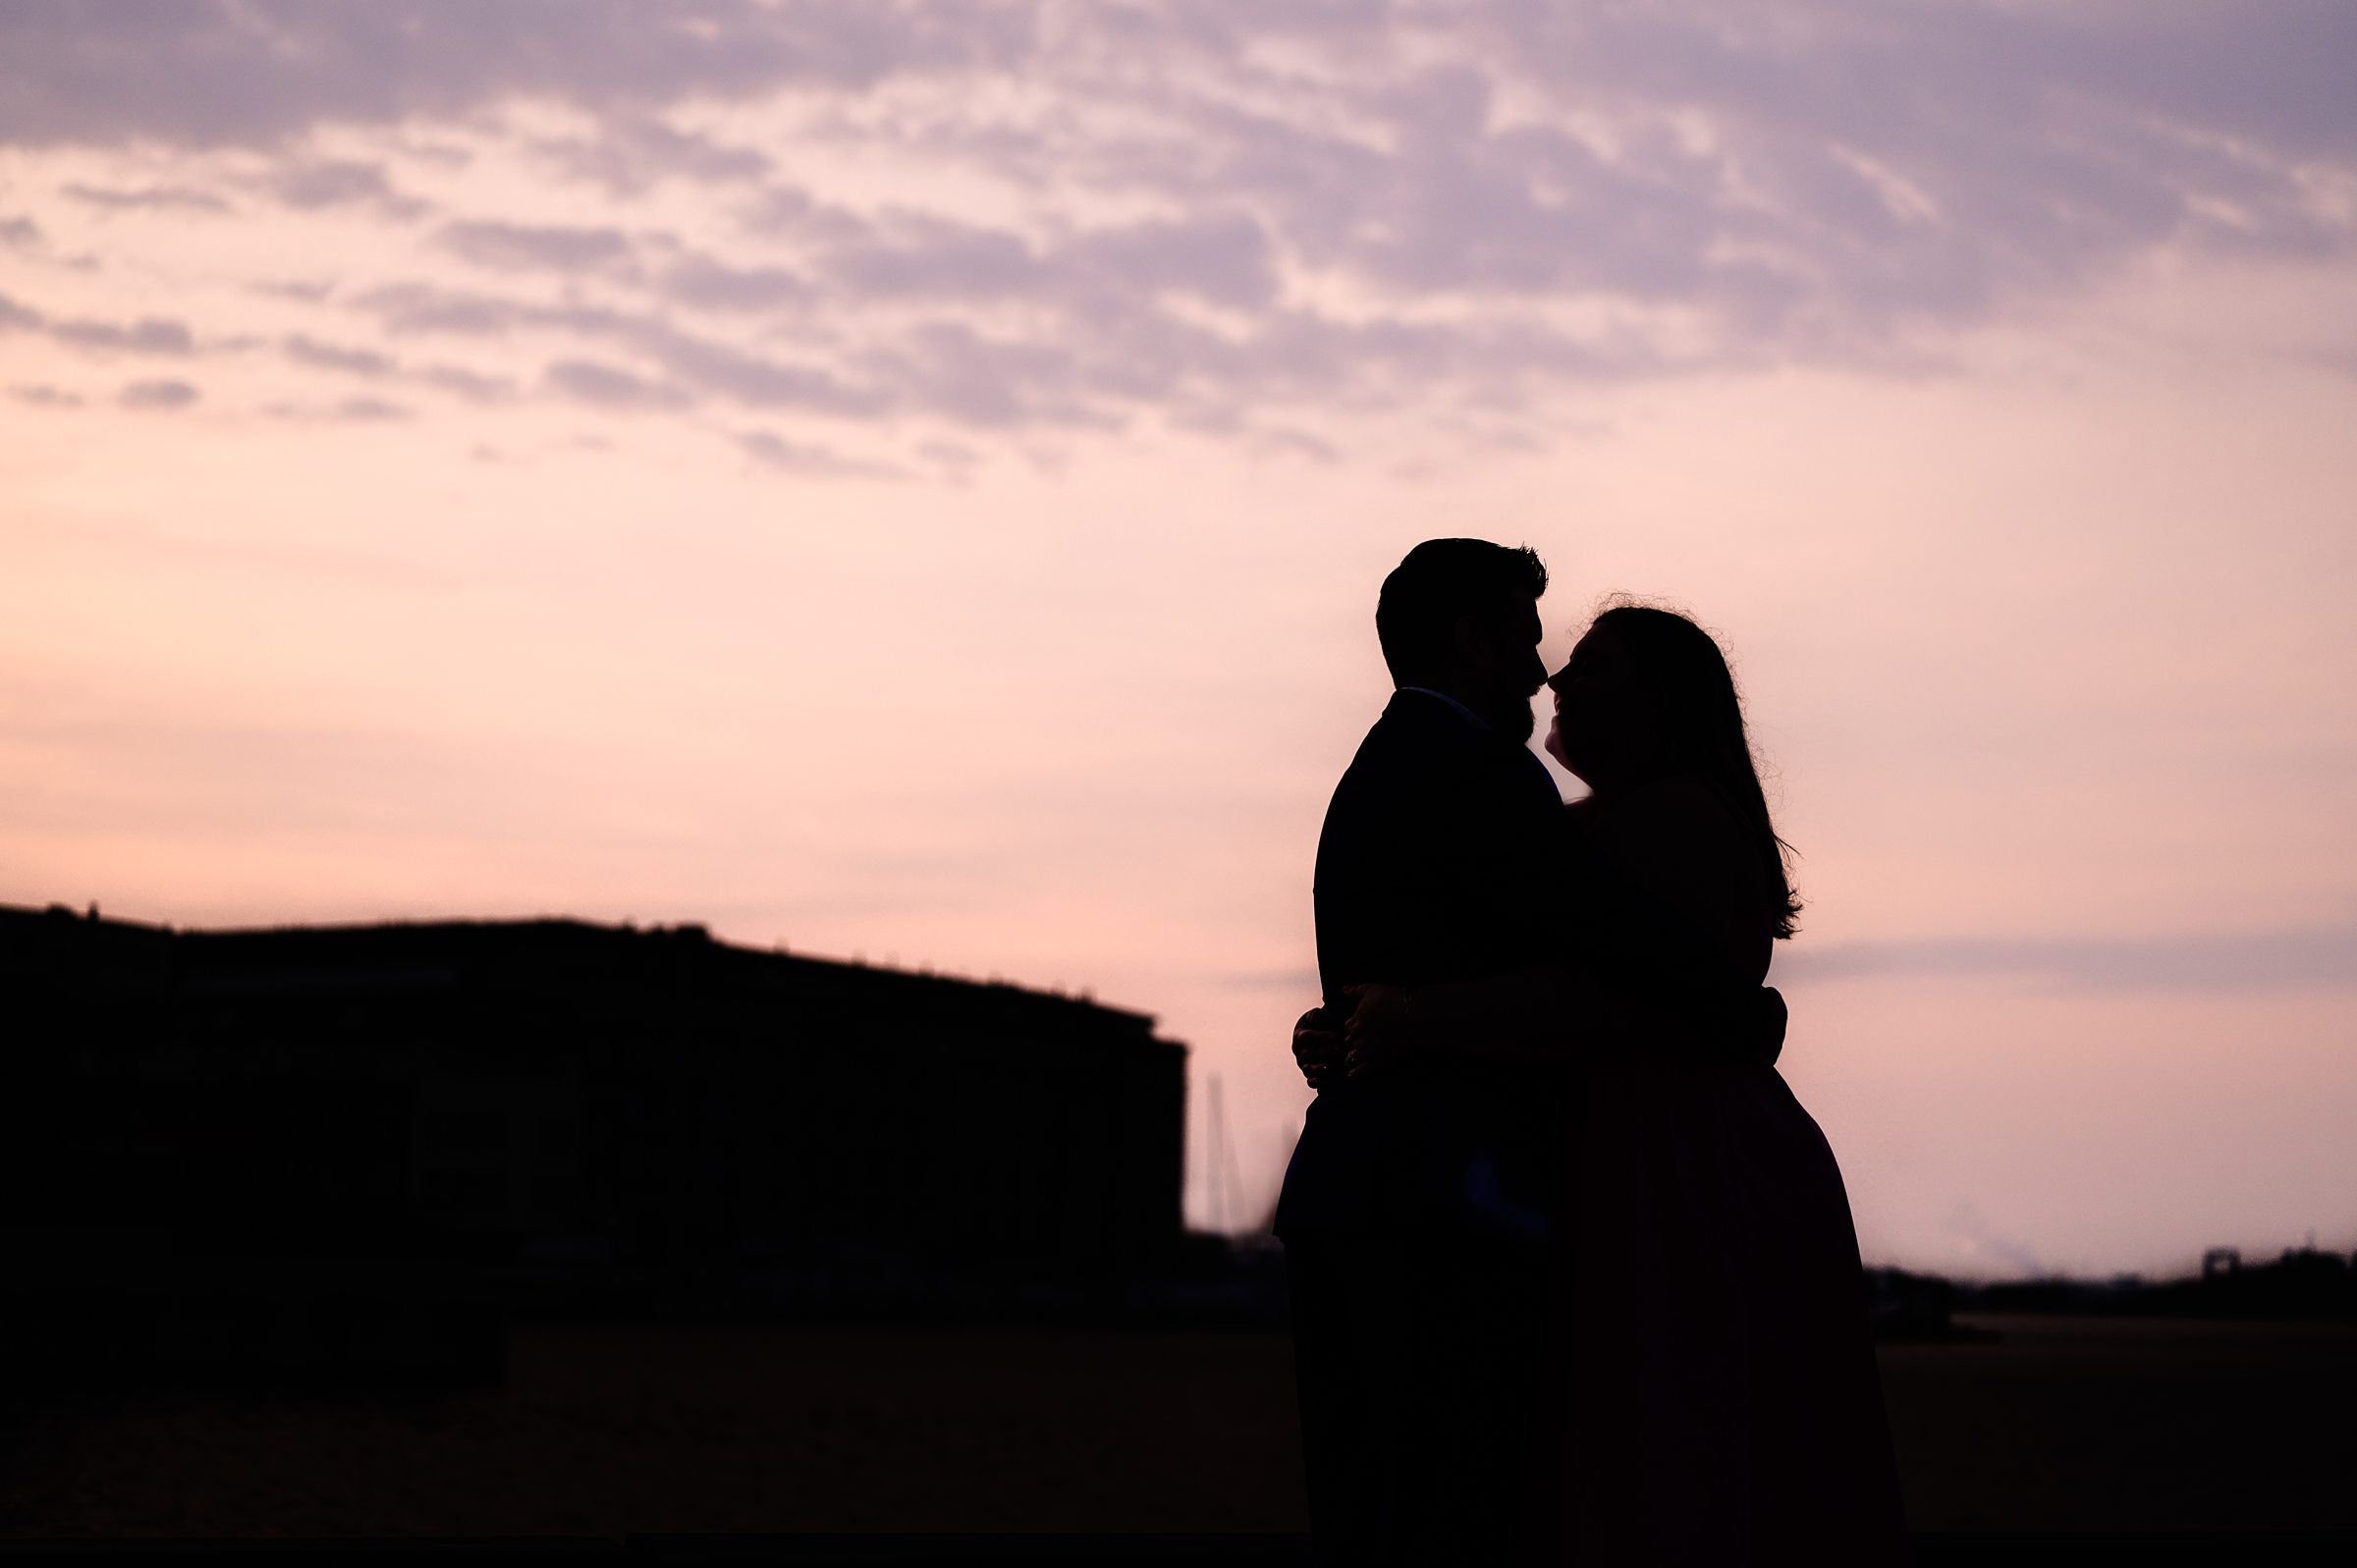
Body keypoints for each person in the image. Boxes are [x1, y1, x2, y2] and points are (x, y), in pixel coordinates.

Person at [1336, 604, 1908, 1563]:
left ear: (1658, 704)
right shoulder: (1647, 819)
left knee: (1668, 1428)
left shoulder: (1666, 820)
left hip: (1678, 1157)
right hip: (1681, 1141)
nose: (1558, 680)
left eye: (1593, 670)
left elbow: (1607, 1000)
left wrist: (1414, 1018)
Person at [1273, 548, 1787, 1564]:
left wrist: (1385, 1021)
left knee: (1396, 1505)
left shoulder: (1400, 762)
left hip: (1396, 1188)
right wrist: (1741, 1015)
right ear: (1471, 638)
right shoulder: (1474, 772)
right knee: (1447, 1506)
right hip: (1444, 1200)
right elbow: (1614, 943)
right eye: (1525, 634)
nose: (1542, 669)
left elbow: (1534, 953)